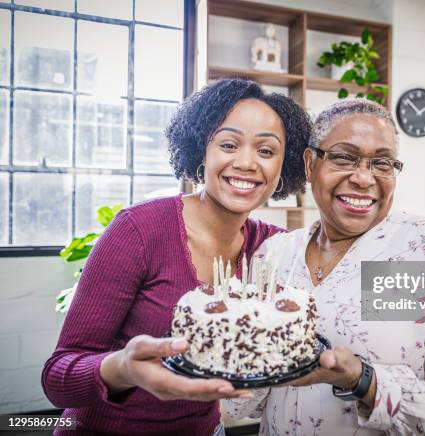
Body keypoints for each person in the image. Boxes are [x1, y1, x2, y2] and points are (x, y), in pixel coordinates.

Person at [224, 99, 425, 435]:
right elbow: (247, 402)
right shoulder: (273, 256)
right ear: (310, 164)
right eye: (343, 157)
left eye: (382, 163)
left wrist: (365, 382)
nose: (364, 178)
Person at [41, 78, 311, 435]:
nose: (247, 162)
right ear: (201, 150)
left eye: (266, 151)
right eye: (229, 144)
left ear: (284, 165)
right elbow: (59, 376)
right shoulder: (139, 230)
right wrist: (122, 368)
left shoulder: (274, 247)